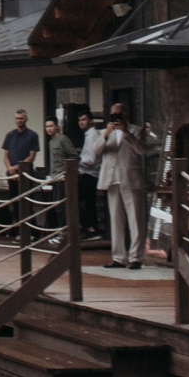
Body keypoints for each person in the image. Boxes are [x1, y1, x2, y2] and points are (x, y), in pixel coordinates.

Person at [99, 104, 144, 268]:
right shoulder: (105, 131)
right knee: (116, 220)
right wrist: (106, 133)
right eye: (113, 114)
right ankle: (118, 257)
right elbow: (95, 150)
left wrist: (126, 132)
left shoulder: (136, 130)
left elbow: (142, 150)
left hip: (130, 178)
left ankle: (135, 257)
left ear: (126, 114)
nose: (116, 117)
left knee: (135, 219)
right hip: (112, 179)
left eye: (119, 114)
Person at [76, 113, 106, 241]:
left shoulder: (92, 135)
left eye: (84, 119)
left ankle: (91, 227)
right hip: (86, 173)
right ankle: (90, 227)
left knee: (81, 201)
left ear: (91, 121)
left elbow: (91, 159)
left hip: (89, 173)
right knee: (87, 202)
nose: (81, 122)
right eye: (79, 120)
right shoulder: (88, 135)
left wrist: (77, 159)